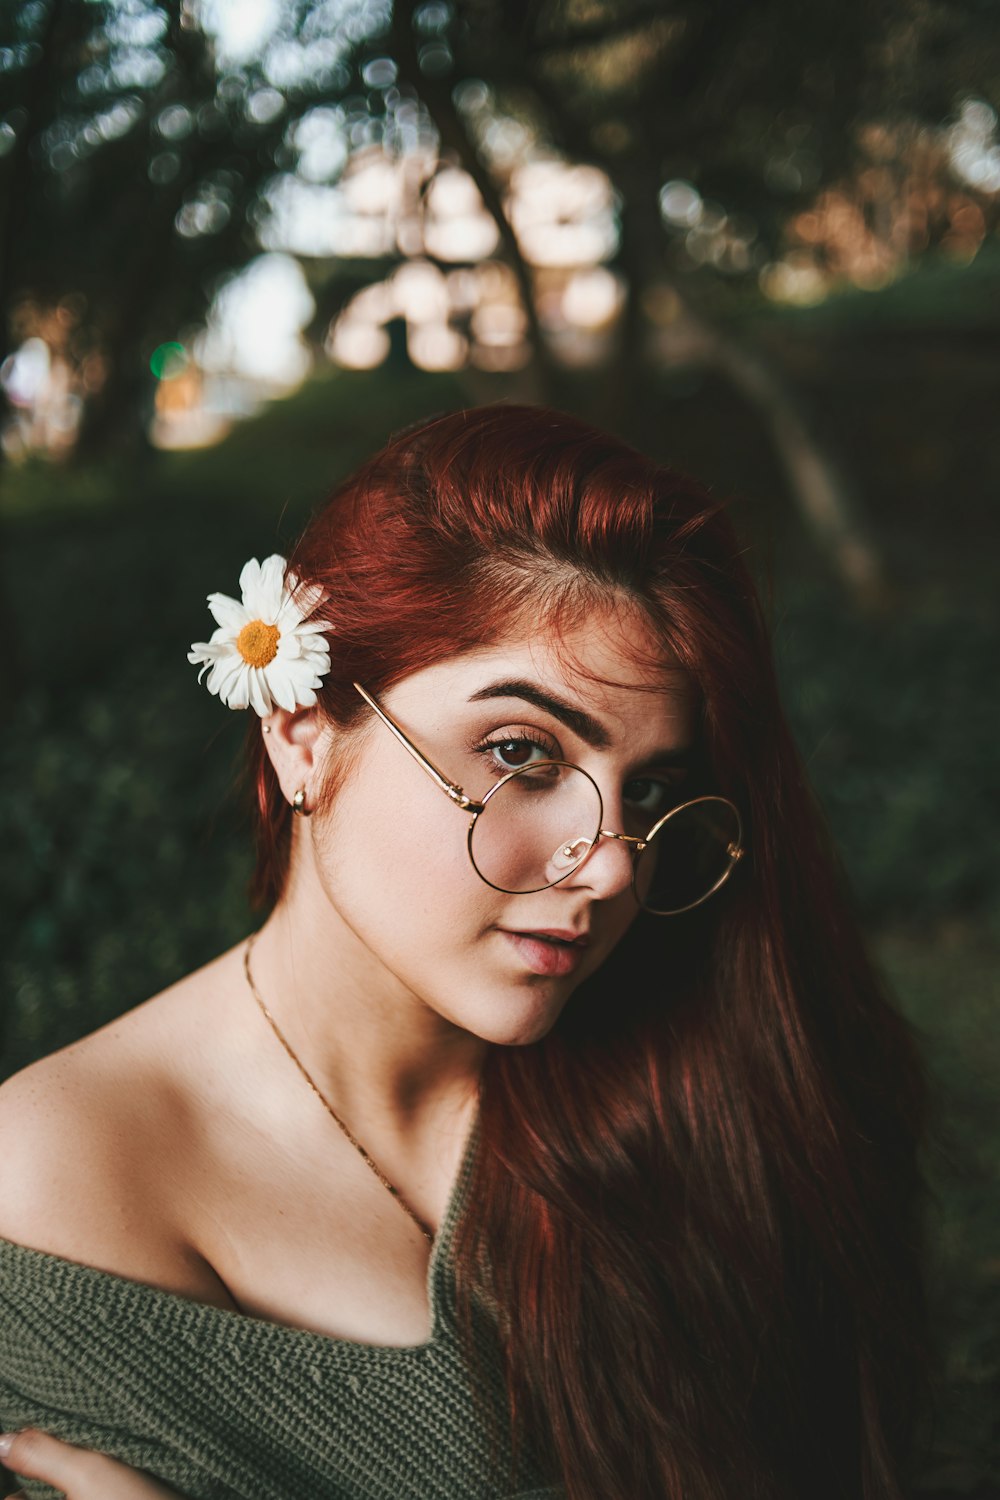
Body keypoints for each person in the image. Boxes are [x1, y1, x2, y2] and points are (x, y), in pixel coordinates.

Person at [0, 404, 932, 1500]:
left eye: (653, 791)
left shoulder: (704, 1098)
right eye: (522, 754)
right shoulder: (52, 1194)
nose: (613, 867)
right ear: (301, 732)